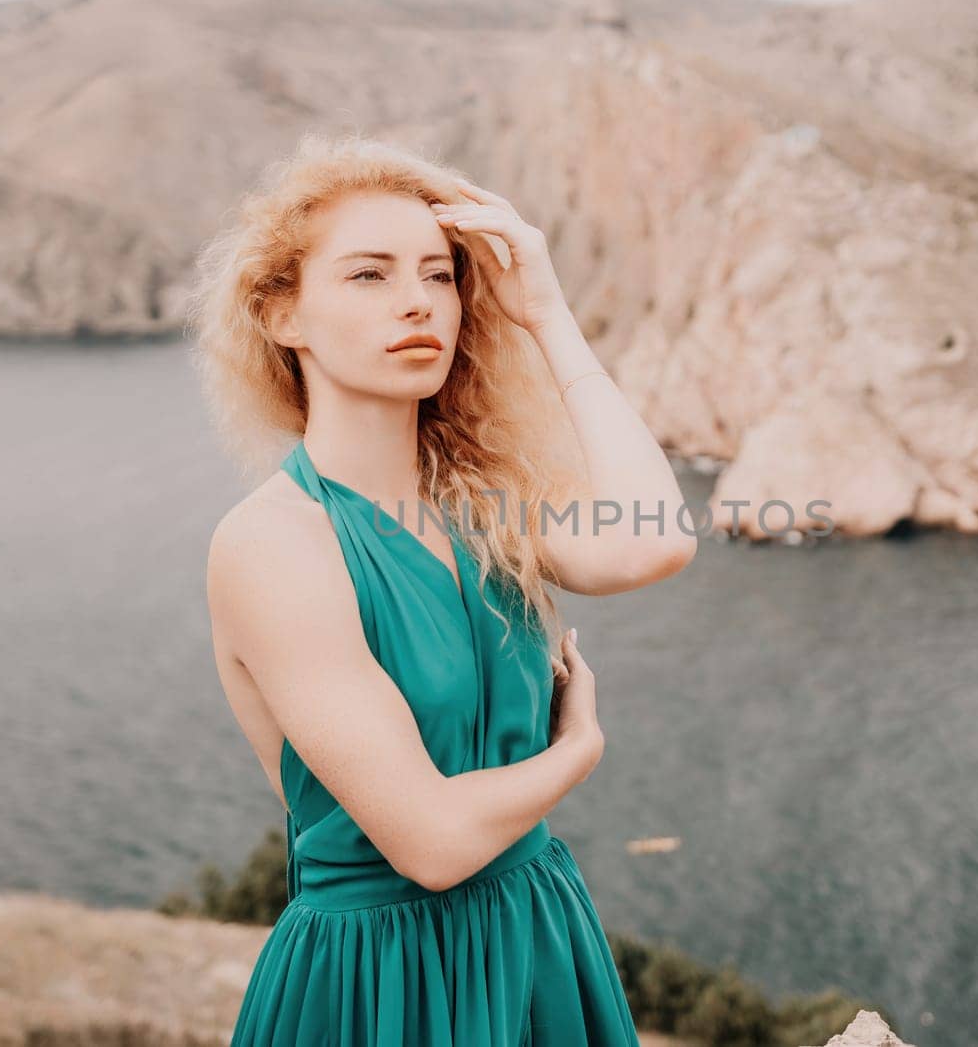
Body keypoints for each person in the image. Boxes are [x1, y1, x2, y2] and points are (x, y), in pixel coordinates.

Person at [187, 131, 697, 1045]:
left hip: (536, 944)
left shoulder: (484, 504)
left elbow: (652, 543)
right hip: (381, 985)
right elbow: (429, 844)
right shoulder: (273, 542)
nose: (419, 302)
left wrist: (546, 314)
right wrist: (576, 750)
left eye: (439, 274)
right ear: (282, 315)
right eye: (370, 276)